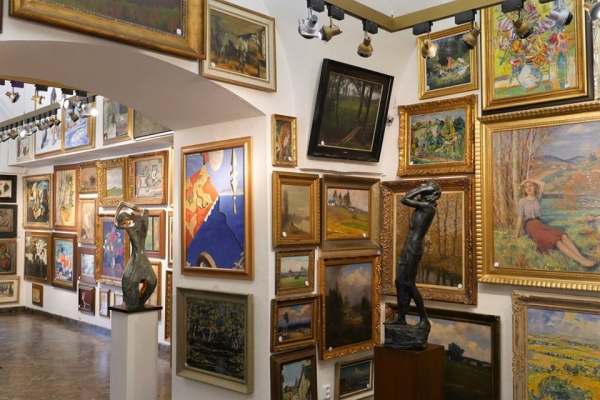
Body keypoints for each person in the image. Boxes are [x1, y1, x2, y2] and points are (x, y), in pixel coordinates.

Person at [513, 178, 596, 268]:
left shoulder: (537, 198)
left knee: (563, 235)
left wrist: (529, 179)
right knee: (556, 240)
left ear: (535, 187)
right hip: (531, 226)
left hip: (540, 223)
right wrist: (517, 234)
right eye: (526, 187)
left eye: (531, 186)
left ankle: (583, 258)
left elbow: (543, 184)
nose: (528, 189)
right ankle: (580, 261)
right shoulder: (522, 201)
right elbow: (520, 217)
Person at [395, 181, 442, 327]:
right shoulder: (423, 205)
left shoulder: (428, 207)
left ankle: (424, 319)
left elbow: (405, 199)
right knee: (399, 281)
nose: (422, 190)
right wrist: (423, 188)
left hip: (414, 246)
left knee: (409, 283)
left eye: (425, 189)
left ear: (429, 193)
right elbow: (407, 197)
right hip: (409, 244)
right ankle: (401, 317)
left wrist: (422, 187)